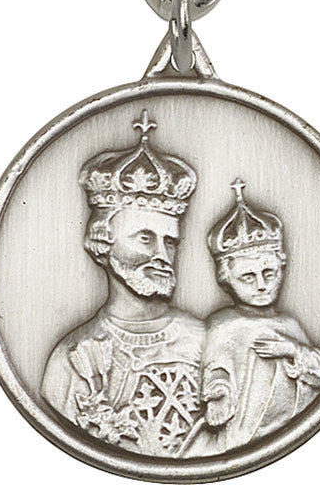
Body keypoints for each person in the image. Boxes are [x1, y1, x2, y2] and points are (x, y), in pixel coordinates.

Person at [41, 110, 204, 458]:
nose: (162, 255)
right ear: (103, 242)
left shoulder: (205, 340)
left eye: (170, 241)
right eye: (145, 238)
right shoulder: (71, 356)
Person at [198, 178, 320, 453]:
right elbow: (214, 367)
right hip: (244, 431)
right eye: (248, 277)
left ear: (281, 268)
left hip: (297, 432)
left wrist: (291, 350)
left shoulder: (289, 324)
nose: (261, 285)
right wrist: (218, 393)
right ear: (226, 279)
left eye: (268, 273)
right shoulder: (223, 326)